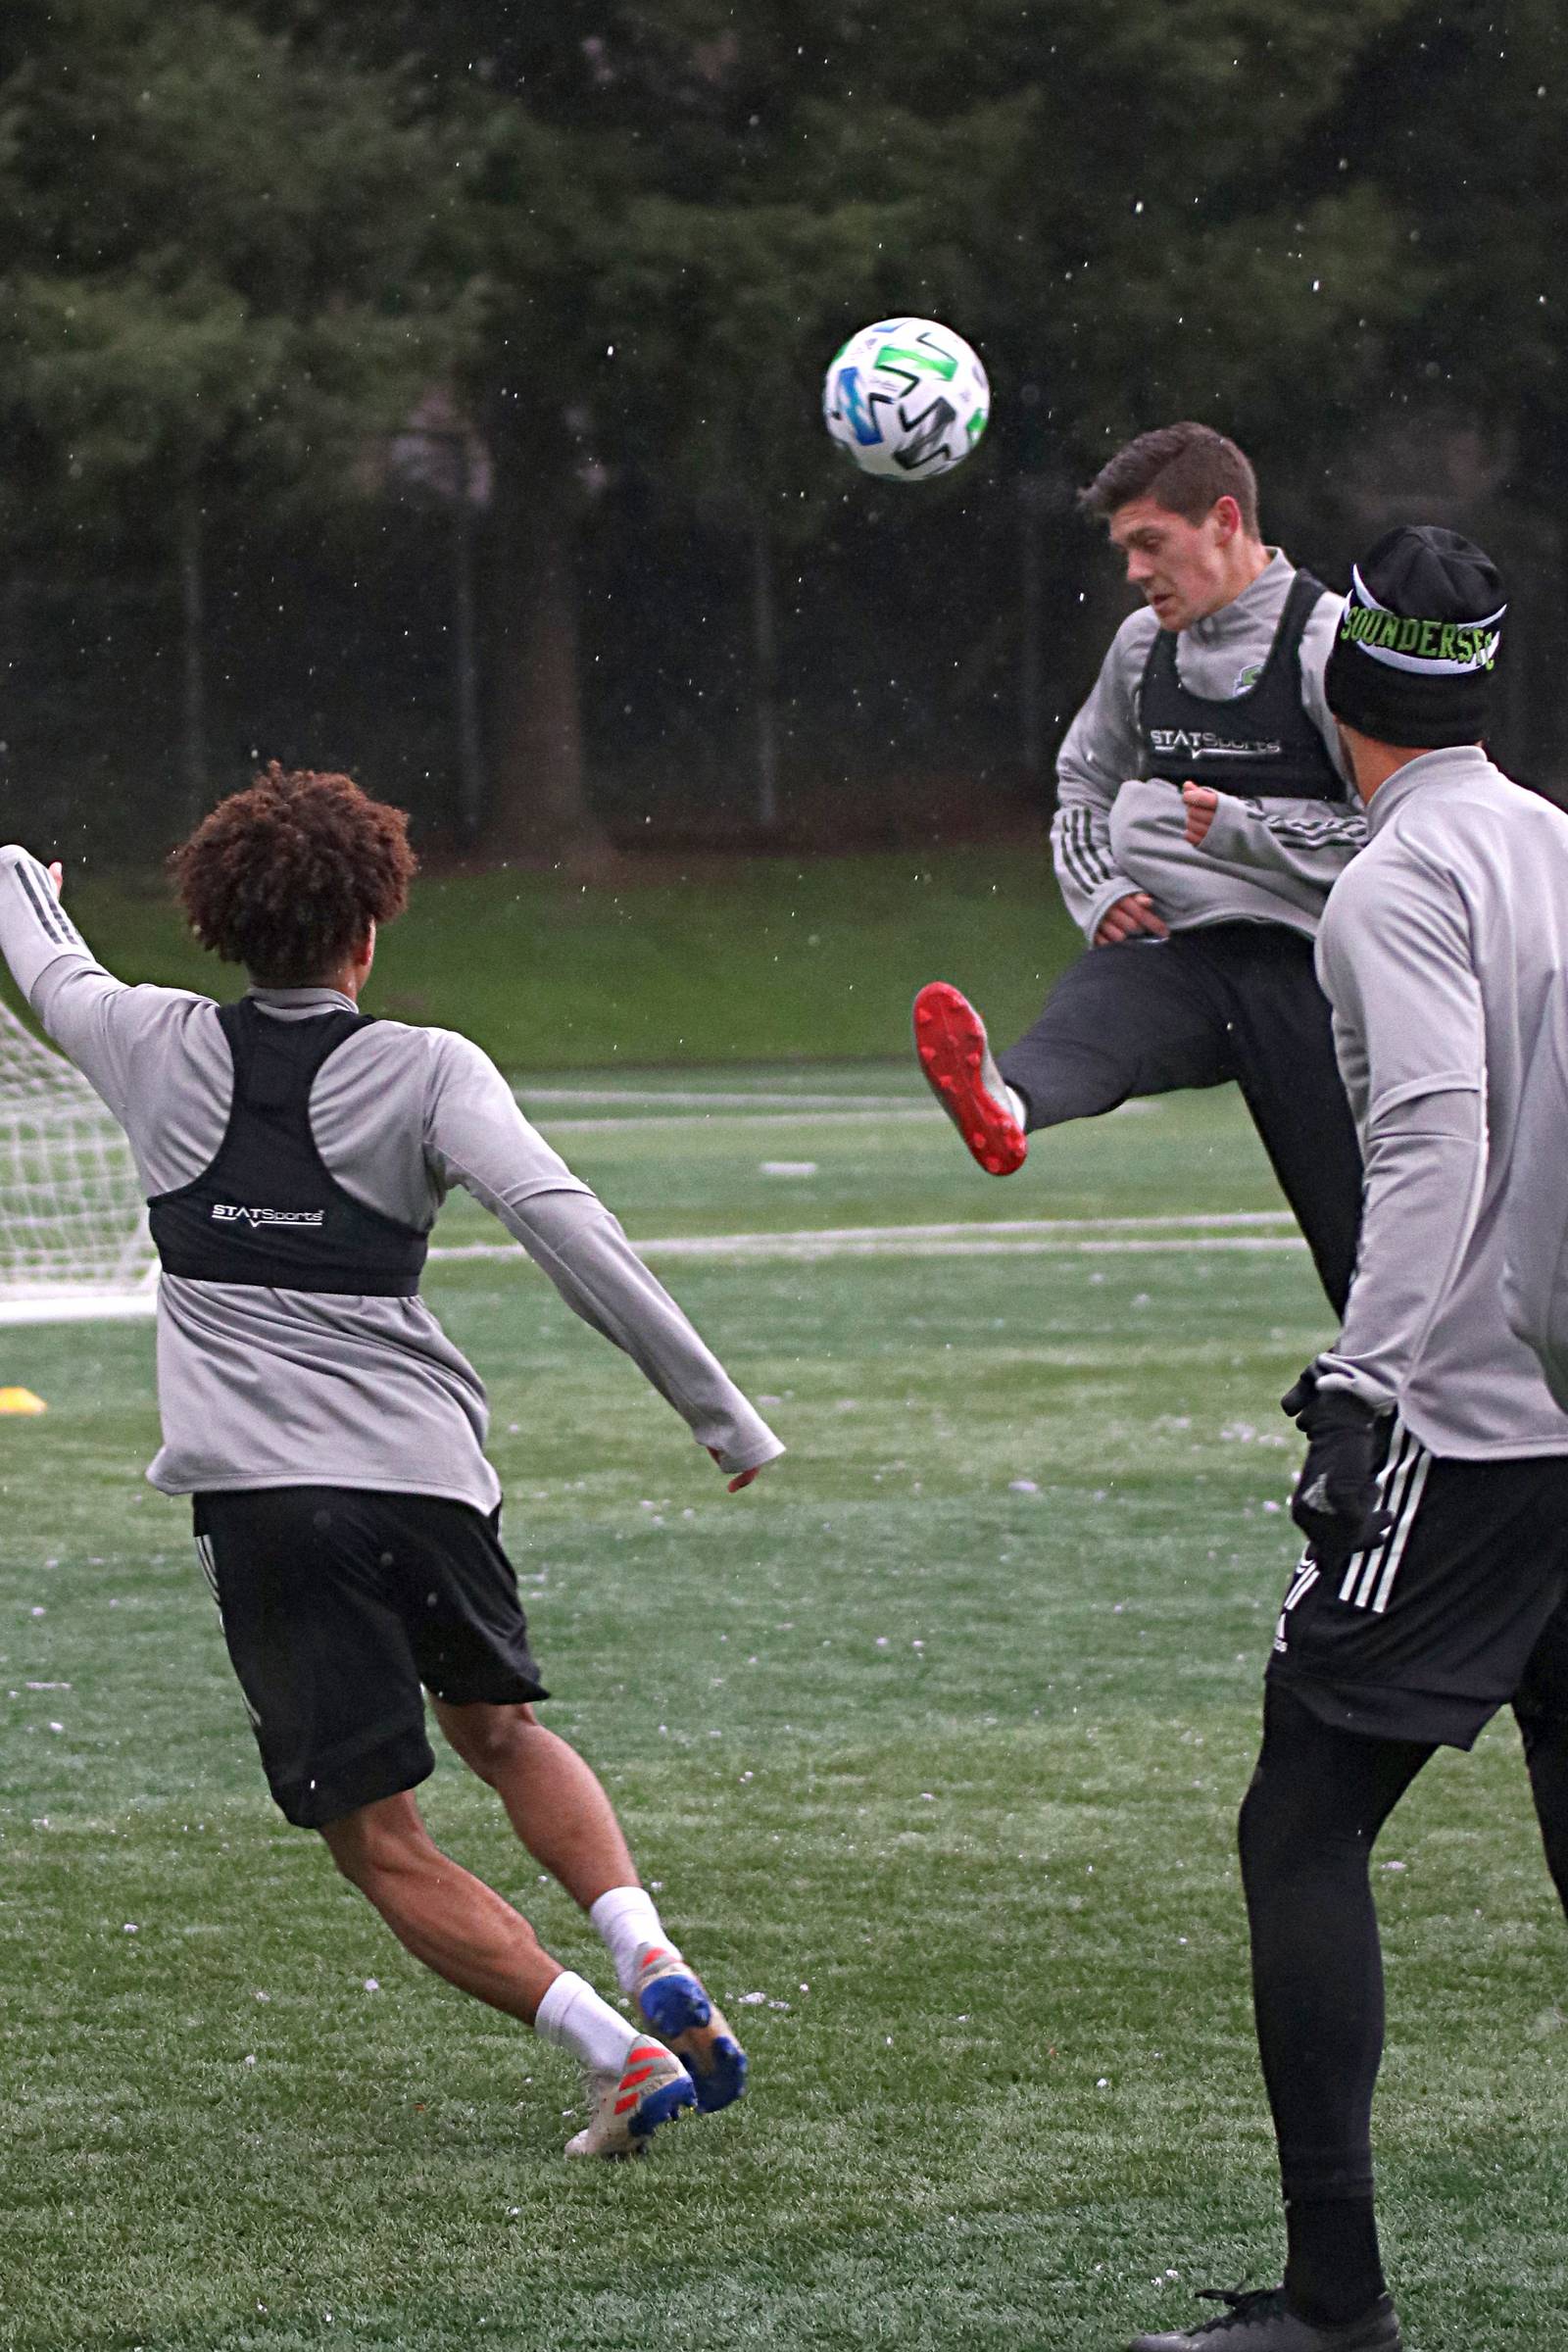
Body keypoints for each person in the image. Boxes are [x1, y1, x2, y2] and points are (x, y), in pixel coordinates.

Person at [0, 764, 785, 2161]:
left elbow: (40, 957)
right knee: (504, 1732)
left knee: (381, 1837)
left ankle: (620, 2054)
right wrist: (721, 1414)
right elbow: (568, 1228)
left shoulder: (144, 1039)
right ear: (369, 932)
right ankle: (647, 1948)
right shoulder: (430, 1066)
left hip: (271, 1506)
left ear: (218, 920)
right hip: (429, 1483)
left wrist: (25, 877)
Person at [1127, 527, 1568, 2351]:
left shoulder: (1396, 879)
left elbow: (1432, 1138)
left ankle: (1337, 2299)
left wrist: (1367, 1382)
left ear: (1332, 688)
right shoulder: (1550, 841)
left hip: (1468, 1427)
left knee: (1300, 1819)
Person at [912, 420, 1365, 1311]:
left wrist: (1239, 830)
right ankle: (1009, 1101)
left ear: (1225, 520)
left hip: (1319, 973)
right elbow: (1083, 781)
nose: (1134, 572)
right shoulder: (1139, 649)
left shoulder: (1330, 644)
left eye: (1150, 544)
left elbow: (1392, 830)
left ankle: (1403, 1422)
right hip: (1186, 954)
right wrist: (1103, 889)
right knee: (1099, 1001)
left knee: (1366, 1249)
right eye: (1124, 549)